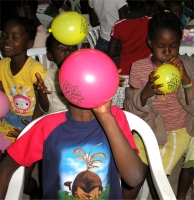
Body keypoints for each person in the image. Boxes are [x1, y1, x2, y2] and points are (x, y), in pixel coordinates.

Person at [0, 84, 144, 198]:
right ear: (63, 88)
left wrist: (106, 116)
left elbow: (134, 178)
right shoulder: (47, 126)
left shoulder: (115, 117)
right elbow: (6, 168)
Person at [123, 11, 194, 199]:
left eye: (173, 46)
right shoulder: (139, 67)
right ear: (150, 43)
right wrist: (145, 93)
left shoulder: (188, 64)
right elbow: (130, 108)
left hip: (177, 130)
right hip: (147, 129)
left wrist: (185, 80)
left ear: (180, 43)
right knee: (132, 173)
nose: (167, 52)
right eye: (161, 46)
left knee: (158, 174)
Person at [108, 0, 158, 108]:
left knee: (124, 107)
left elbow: (111, 52)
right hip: (146, 72)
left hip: (124, 73)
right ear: (146, 7)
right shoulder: (151, 22)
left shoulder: (119, 24)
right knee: (144, 106)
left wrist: (126, 49)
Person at [38, 34, 78, 114]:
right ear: (50, 56)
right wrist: (42, 93)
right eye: (61, 48)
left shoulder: (83, 72)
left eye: (71, 47)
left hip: (79, 116)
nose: (67, 51)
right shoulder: (49, 76)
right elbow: (45, 109)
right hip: (57, 116)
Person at [88, 0, 128, 66]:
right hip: (115, 43)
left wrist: (105, 20)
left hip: (102, 40)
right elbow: (123, 24)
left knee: (101, 72)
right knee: (117, 73)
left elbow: (93, 22)